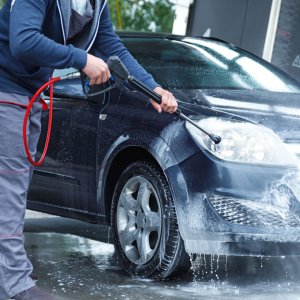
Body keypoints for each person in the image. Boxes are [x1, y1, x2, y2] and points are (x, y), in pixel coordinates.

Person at [0, 0, 178, 299]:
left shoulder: (96, 4)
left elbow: (112, 48)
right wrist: (81, 58)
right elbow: (24, 41)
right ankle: (14, 287)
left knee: (12, 190)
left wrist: (153, 90)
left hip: (28, 96)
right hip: (6, 92)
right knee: (10, 193)